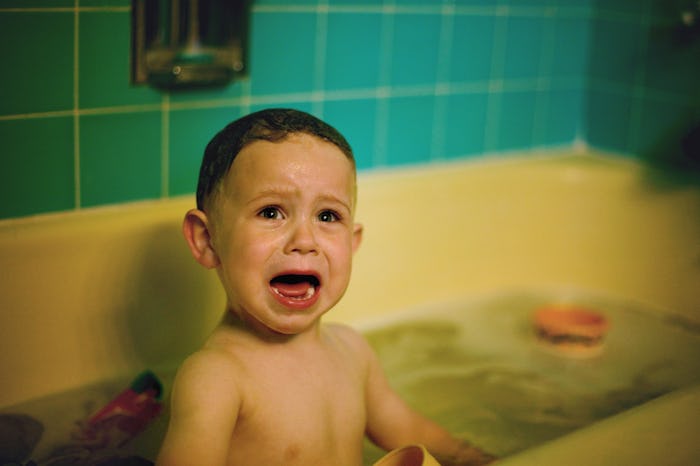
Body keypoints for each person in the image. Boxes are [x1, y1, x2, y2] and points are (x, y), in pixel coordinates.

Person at [156, 108, 496, 466]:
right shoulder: (217, 378)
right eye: (271, 212)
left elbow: (412, 430)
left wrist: (477, 458)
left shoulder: (352, 351)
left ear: (352, 243)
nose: (305, 240)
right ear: (207, 240)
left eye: (328, 216)